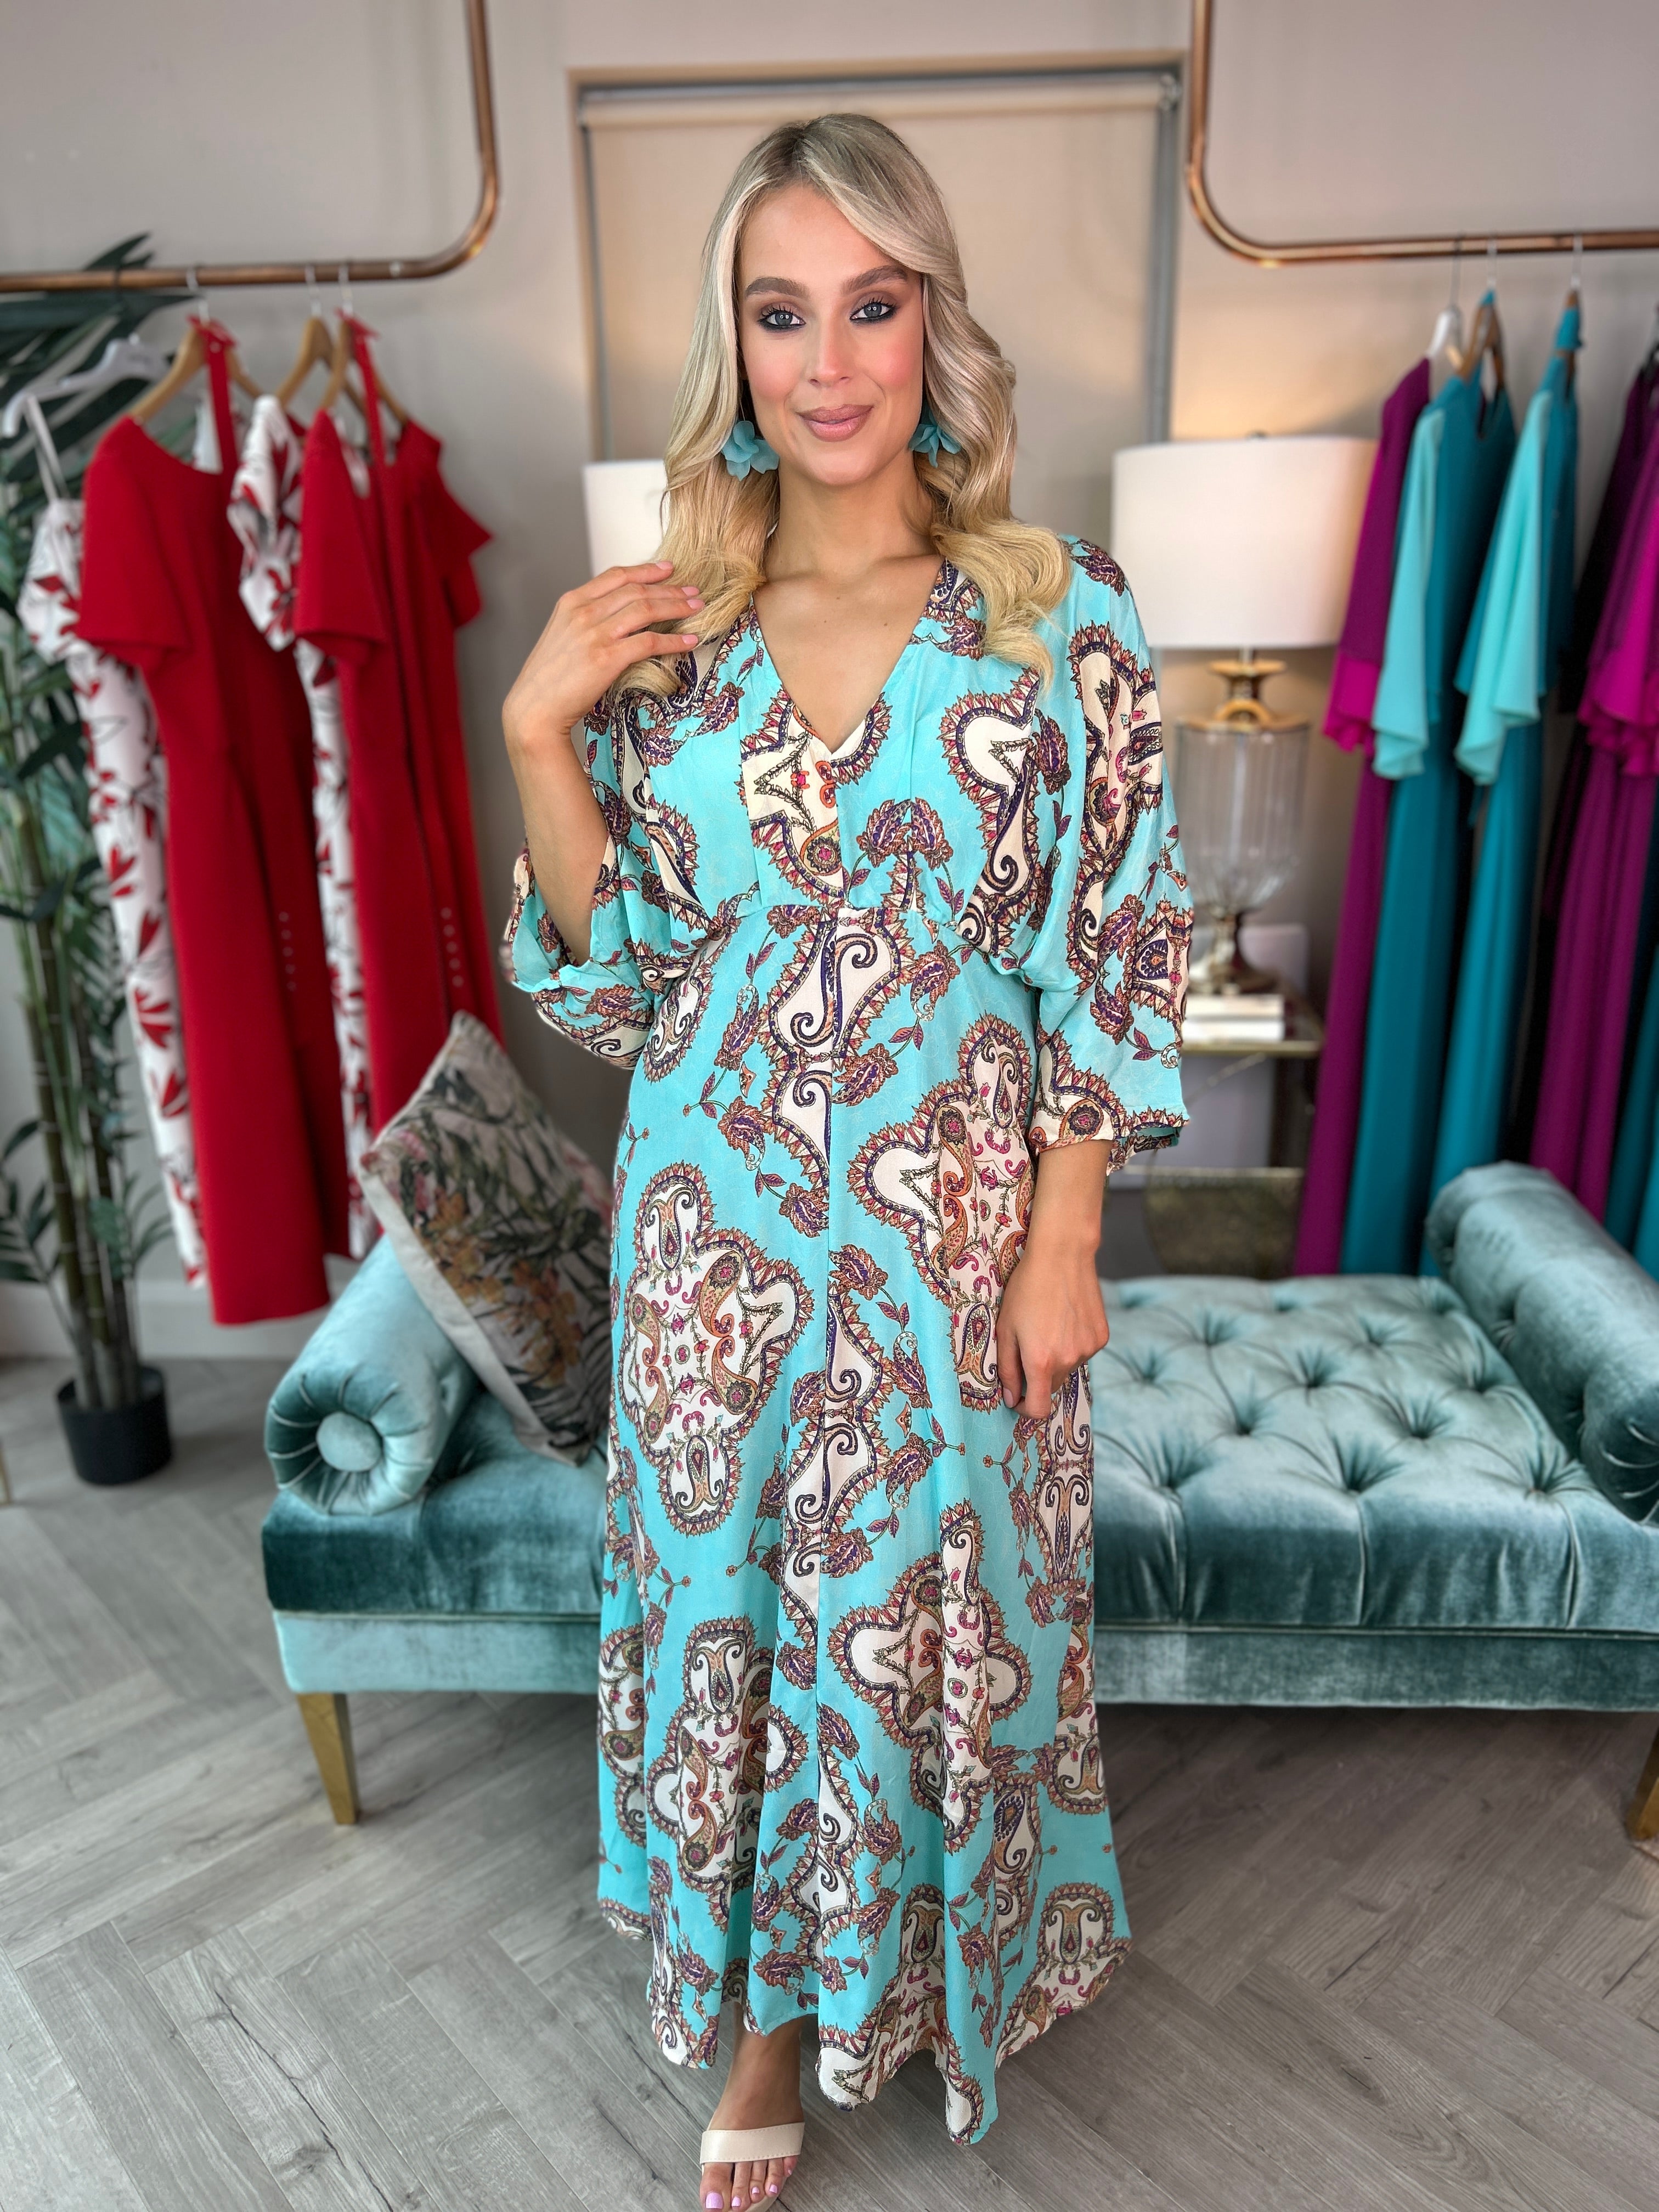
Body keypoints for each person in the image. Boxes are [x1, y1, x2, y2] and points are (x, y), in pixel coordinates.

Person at [501, 112, 1190, 2212]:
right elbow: (616, 987)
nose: (828, 363)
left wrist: (1064, 1238)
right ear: (734, 344)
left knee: (927, 1636)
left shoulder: (1058, 616)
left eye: (871, 307)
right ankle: (768, 2030)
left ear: (929, 327)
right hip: (709, 1257)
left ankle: (934, 1977)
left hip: (953, 1257)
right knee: (735, 1637)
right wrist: (537, 737)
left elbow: (1114, 946)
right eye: (781, 312)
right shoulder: (666, 634)